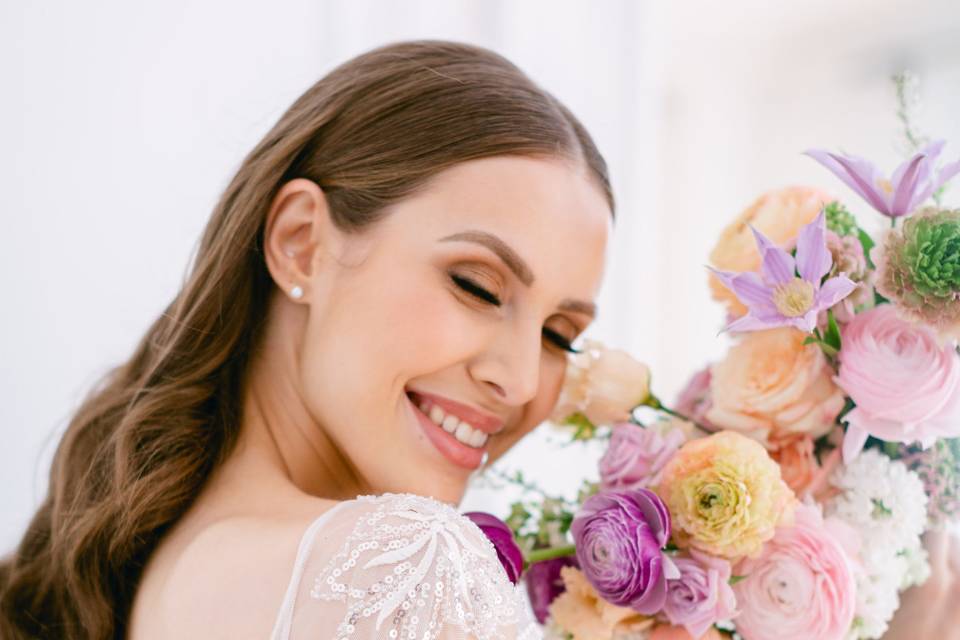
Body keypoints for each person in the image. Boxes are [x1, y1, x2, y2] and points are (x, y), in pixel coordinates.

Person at [0, 40, 613, 639]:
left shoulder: (153, 573)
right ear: (301, 243)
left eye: (559, 335)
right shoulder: (409, 572)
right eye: (476, 287)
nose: (522, 380)